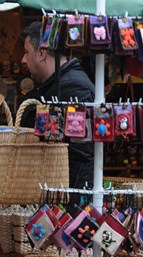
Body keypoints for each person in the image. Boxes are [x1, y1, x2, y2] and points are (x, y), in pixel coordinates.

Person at [21, 21, 95, 190]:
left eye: (27, 52)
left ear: (41, 53)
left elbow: (79, 151)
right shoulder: (60, 84)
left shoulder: (73, 86)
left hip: (71, 192)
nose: (23, 59)